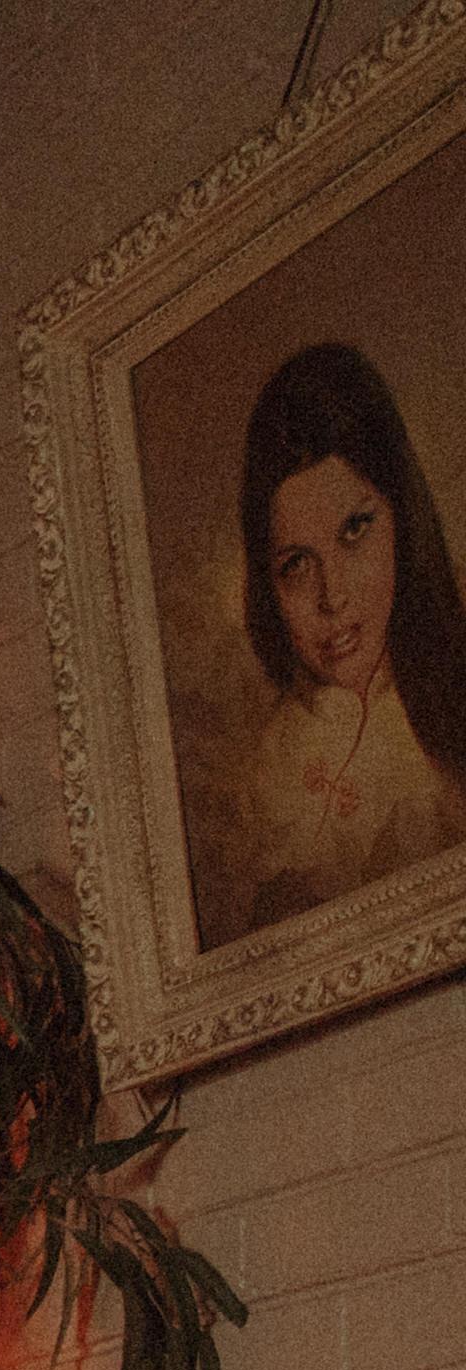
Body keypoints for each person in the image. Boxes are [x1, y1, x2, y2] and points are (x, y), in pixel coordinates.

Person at [224, 343, 466, 935]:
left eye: (355, 531)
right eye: (297, 565)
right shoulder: (267, 770)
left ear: (401, 517)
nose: (332, 597)